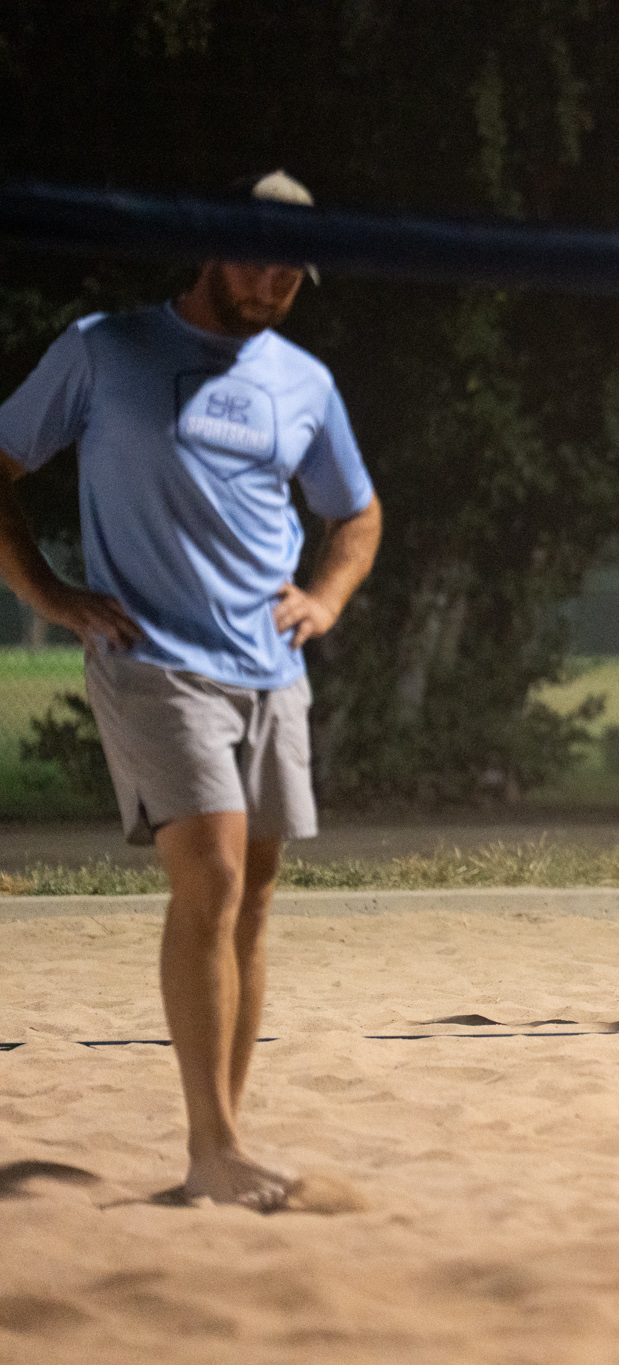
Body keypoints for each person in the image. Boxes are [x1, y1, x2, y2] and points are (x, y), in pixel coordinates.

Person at [0, 171, 381, 1210]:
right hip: (152, 659)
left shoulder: (304, 382)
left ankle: (225, 1143)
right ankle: (212, 1148)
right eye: (258, 259)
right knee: (209, 874)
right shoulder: (105, 348)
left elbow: (356, 513)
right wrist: (49, 593)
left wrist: (327, 597)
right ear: (211, 243)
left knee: (251, 898)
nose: (272, 284)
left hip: (272, 668)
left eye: (292, 272)